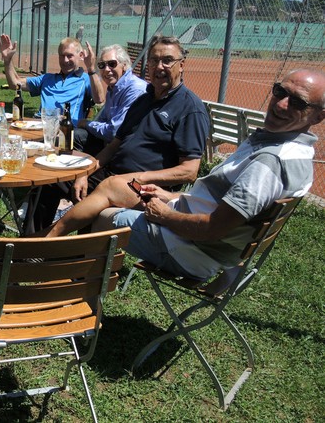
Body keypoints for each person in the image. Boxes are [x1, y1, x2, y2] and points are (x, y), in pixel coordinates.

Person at [46, 68, 324, 281]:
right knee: (115, 185)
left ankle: (76, 288)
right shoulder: (291, 151)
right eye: (279, 91)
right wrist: (170, 196)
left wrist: (164, 215)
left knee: (106, 218)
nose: (281, 104)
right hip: (192, 226)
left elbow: (214, 228)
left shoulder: (269, 163)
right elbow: (219, 202)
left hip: (193, 251)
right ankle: (50, 240)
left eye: (298, 102)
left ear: (318, 116)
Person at [30, 35, 209, 232]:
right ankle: (29, 247)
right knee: (50, 182)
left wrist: (140, 177)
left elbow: (190, 171)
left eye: (167, 60)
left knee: (106, 187)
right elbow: (115, 144)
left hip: (144, 188)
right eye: (154, 61)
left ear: (181, 65)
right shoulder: (143, 101)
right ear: (147, 65)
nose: (159, 67)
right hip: (112, 174)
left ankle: (45, 242)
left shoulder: (190, 108)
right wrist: (84, 174)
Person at [0, 34, 105, 124]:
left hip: (64, 129)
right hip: (39, 125)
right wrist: (7, 61)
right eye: (62, 56)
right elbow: (14, 84)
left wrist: (91, 69)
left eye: (69, 56)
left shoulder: (85, 79)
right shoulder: (47, 78)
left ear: (81, 55)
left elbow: (100, 99)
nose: (65, 60)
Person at [74, 44, 148, 156]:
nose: (107, 69)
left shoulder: (135, 89)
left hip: (129, 149)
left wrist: (87, 124)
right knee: (74, 135)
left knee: (77, 136)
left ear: (124, 65)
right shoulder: (113, 88)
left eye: (112, 64)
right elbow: (103, 120)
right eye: (102, 65)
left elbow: (114, 131)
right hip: (111, 143)